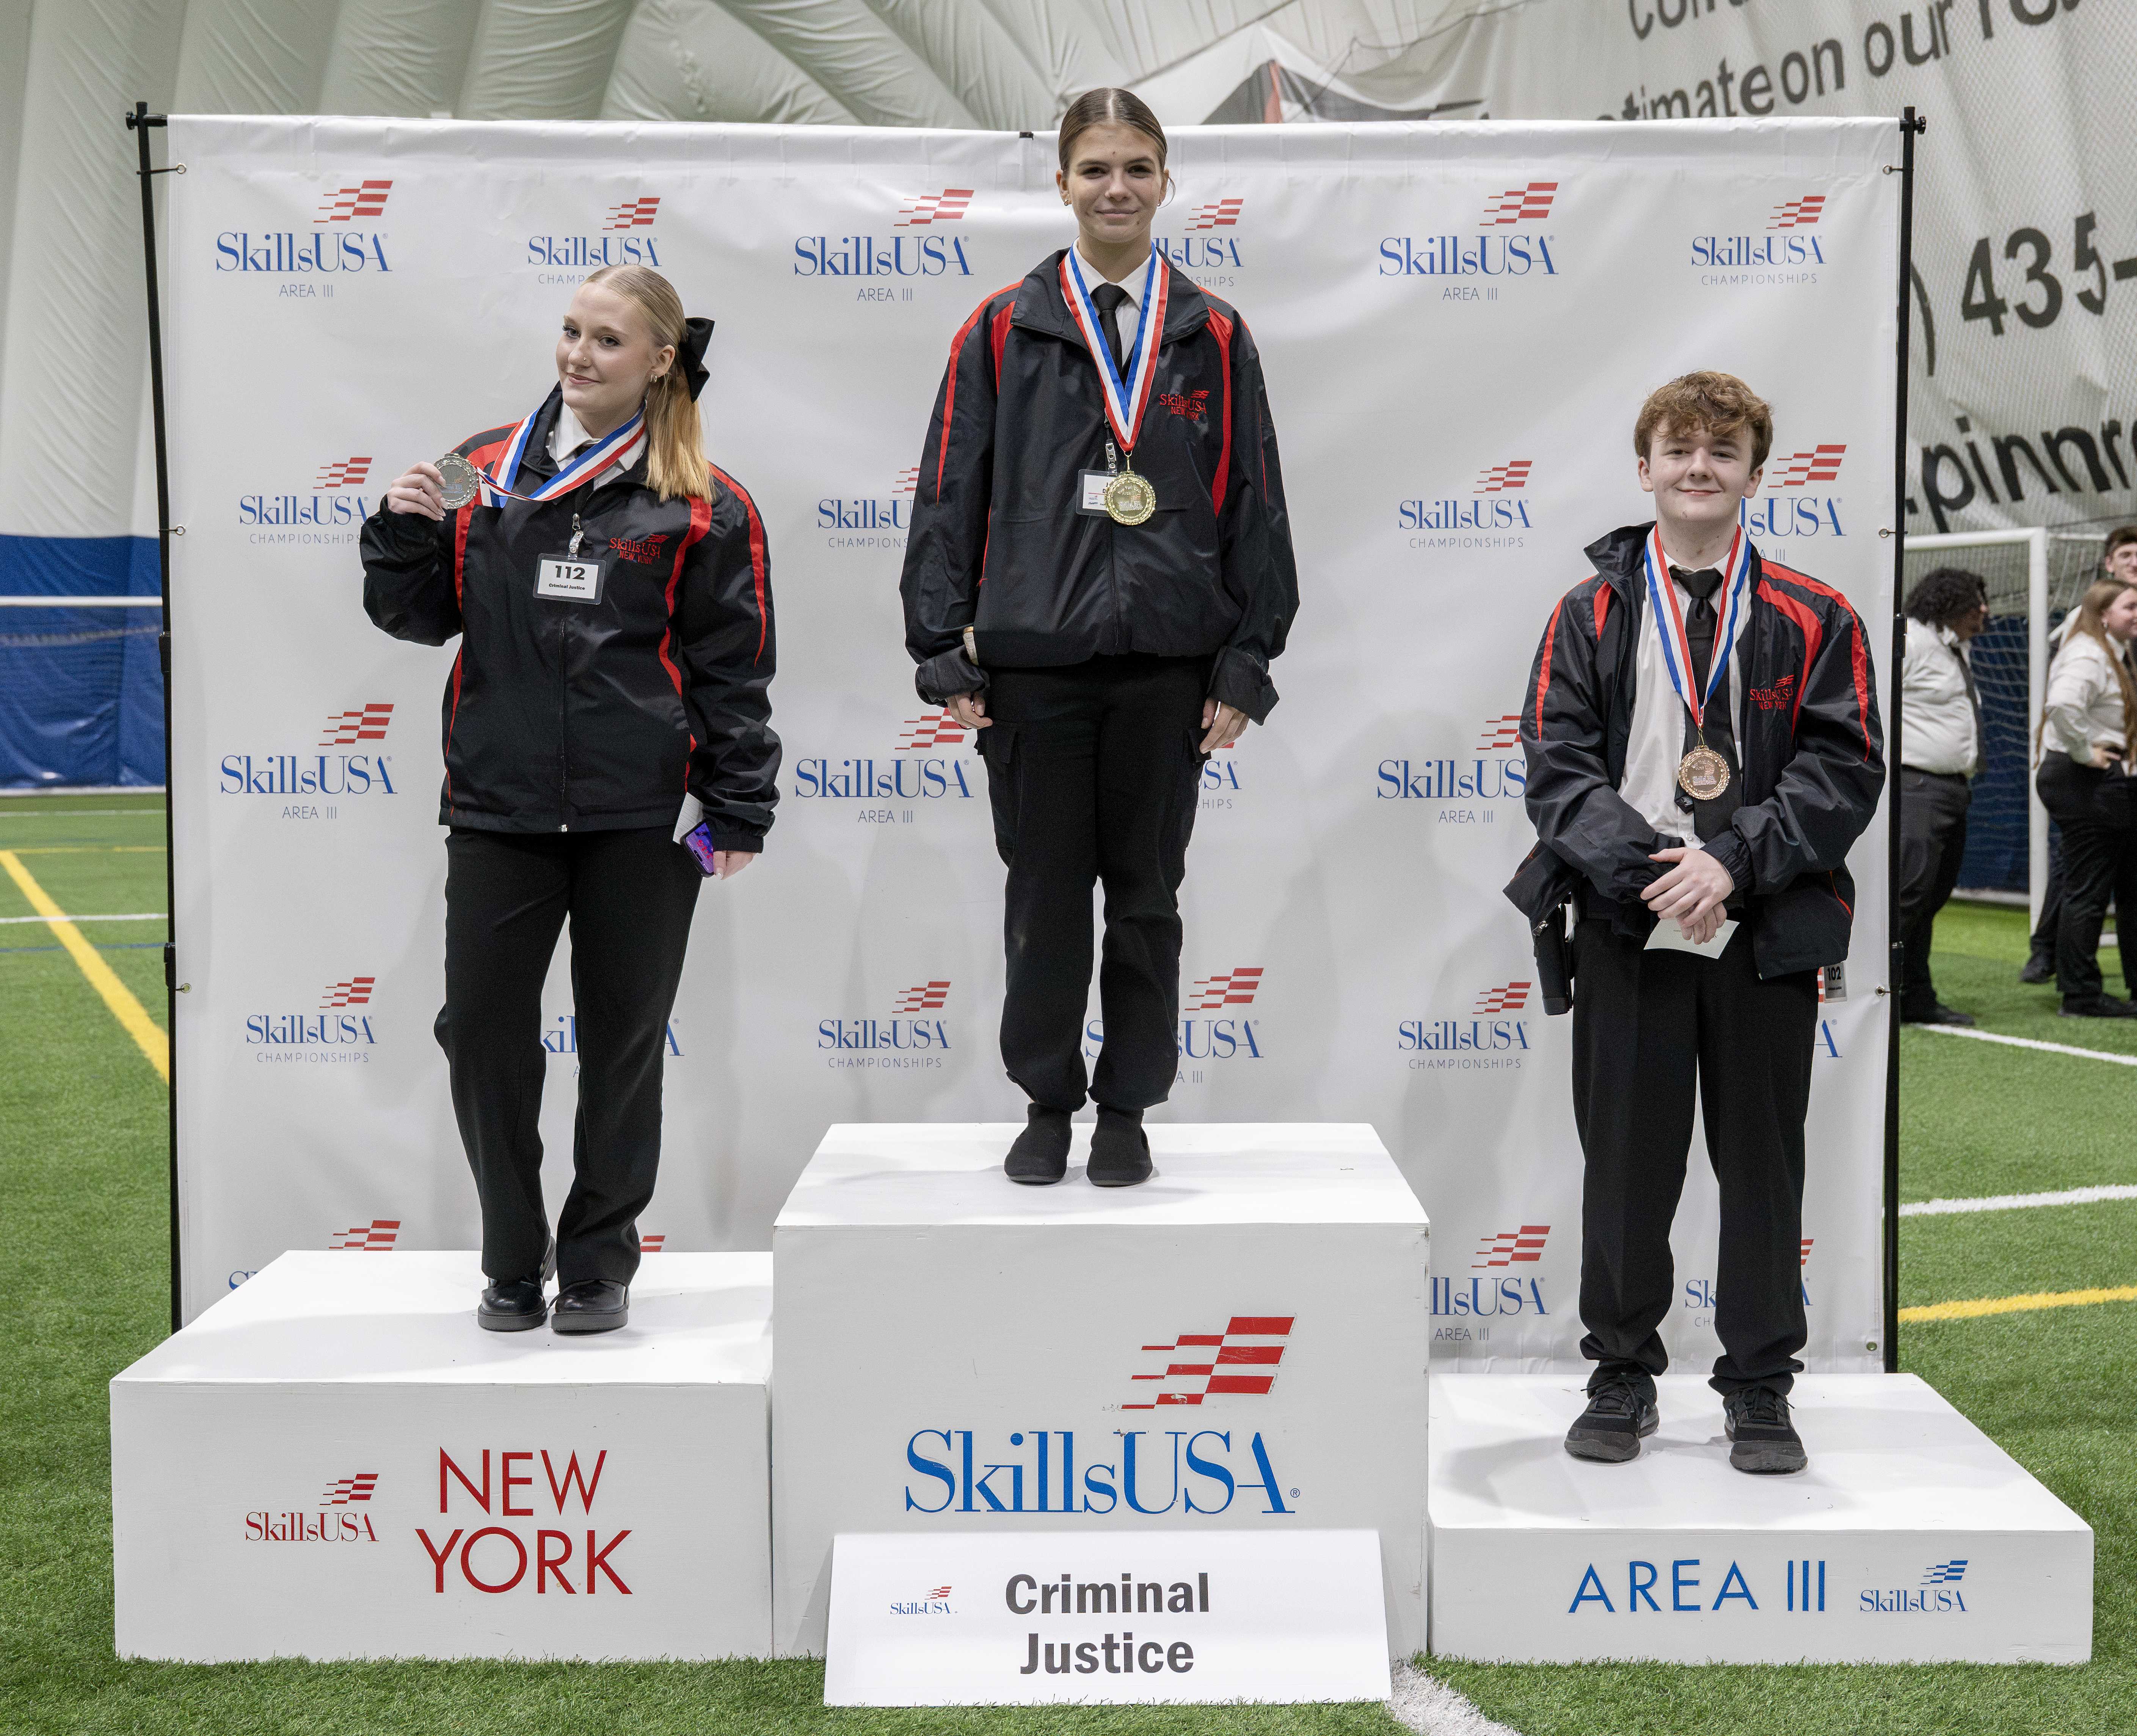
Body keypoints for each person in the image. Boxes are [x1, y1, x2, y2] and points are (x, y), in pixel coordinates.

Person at [362, 265, 778, 1333]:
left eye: (605, 340)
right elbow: (417, 620)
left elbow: (732, 664)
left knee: (624, 1042)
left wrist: (737, 801)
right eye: (569, 331)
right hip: (499, 806)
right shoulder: (482, 471)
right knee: (483, 1031)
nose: (577, 355)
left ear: (656, 361)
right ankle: (512, 1250)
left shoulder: (704, 500)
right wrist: (404, 531)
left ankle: (598, 1260)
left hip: (640, 815)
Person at [899, 87, 1296, 1188]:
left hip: (1167, 667)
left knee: (1146, 899)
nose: (1115, 188)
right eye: (1094, 170)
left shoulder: (1212, 333)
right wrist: (940, 642)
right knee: (1042, 896)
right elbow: (948, 490)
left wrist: (1245, 659)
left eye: (1135, 168)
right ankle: (1044, 1096)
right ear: (1062, 183)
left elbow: (1255, 502)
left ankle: (1126, 1100)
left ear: (1165, 182)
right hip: (1034, 669)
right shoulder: (1000, 327)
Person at [1506, 372, 1883, 1475]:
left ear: (1754, 476)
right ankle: (1622, 1370)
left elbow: (1843, 768)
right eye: (1678, 449)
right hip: (1628, 925)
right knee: (1627, 1161)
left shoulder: (1816, 615)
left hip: (1761, 927)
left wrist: (1728, 860)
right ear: (1645, 468)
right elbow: (1555, 765)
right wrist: (1649, 873)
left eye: (1722, 452)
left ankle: (1759, 1386)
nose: (1698, 467)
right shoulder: (1590, 612)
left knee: (1762, 1165)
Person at [2024, 525, 2137, 982]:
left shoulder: (2116, 645)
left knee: (2092, 879)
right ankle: (2069, 978)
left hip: (2106, 773)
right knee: (2084, 882)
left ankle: (2075, 979)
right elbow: (2064, 704)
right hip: (2083, 773)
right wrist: (2083, 749)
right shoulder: (2088, 646)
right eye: (2126, 554)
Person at [1898, 566, 1988, 1026]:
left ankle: (1915, 998)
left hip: (1949, 790)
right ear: (1947, 601)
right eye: (1975, 601)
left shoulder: (1954, 649)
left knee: (1928, 898)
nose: (1984, 610)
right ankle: (1880, 999)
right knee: (1907, 896)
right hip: (1915, 788)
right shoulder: (1910, 641)